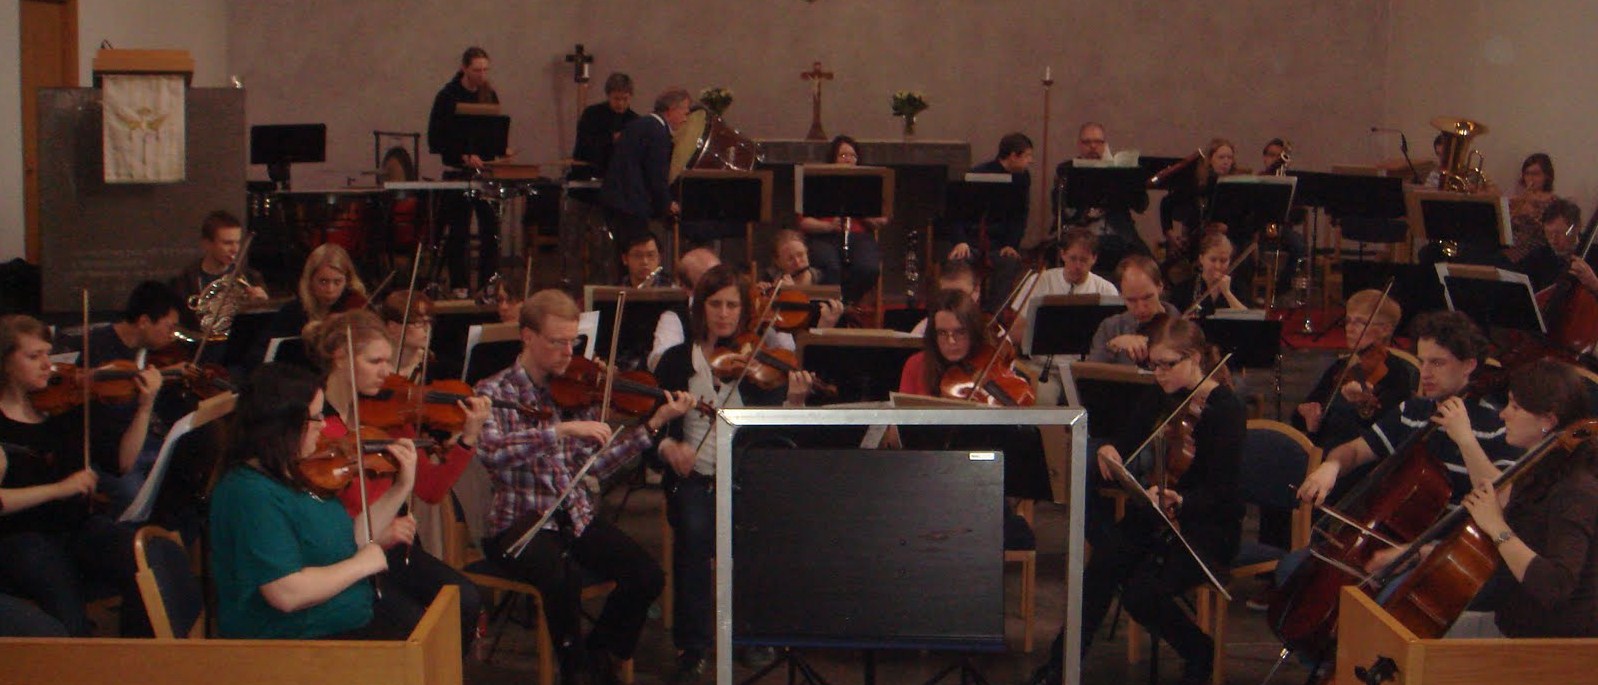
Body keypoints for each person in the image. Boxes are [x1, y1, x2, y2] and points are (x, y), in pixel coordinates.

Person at [474, 289, 694, 685]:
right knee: (562, 577)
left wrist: (654, 423)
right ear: (527, 337)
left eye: (573, 342)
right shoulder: (493, 391)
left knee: (646, 575)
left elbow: (594, 466)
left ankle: (596, 659)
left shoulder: (573, 389)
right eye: (557, 342)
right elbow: (492, 452)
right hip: (519, 522)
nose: (568, 352)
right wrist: (558, 431)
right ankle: (576, 673)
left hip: (572, 515)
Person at [1025, 315, 1246, 685]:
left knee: (1141, 594)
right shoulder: (1162, 394)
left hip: (1206, 527)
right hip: (1157, 515)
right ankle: (1060, 667)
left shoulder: (1226, 410)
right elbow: (1127, 438)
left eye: (1167, 365)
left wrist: (1182, 501)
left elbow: (1225, 494)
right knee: (1101, 567)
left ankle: (1198, 651)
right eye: (1153, 365)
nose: (1158, 374)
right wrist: (1111, 449)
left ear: (1194, 358)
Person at [653, 264, 817, 682]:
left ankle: (754, 634)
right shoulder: (676, 361)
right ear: (700, 308)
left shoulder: (759, 362)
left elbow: (775, 434)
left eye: (732, 305)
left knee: (758, 533)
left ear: (745, 311)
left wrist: (795, 402)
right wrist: (669, 448)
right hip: (694, 479)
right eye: (715, 304)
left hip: (744, 477)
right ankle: (693, 644)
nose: (724, 314)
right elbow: (653, 426)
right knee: (693, 534)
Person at [305, 310, 486, 652]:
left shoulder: (386, 416)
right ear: (340, 357)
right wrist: (380, 531)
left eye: (388, 361)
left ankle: (446, 675)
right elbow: (326, 519)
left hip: (390, 550)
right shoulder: (317, 429)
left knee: (465, 599)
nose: (387, 372)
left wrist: (468, 439)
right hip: (348, 555)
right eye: (375, 361)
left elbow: (431, 489)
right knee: (415, 626)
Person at [208, 362, 419, 639]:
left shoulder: (298, 472)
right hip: (294, 640)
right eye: (316, 417)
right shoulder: (250, 494)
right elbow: (286, 593)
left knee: (432, 626)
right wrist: (361, 565)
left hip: (343, 623)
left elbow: (350, 540)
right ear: (284, 423)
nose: (324, 425)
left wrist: (401, 487)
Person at [1297, 311, 1519, 553]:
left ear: (1469, 365)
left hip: (1451, 555)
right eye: (1422, 362)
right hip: (1397, 543)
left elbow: (1503, 500)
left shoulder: (1498, 425)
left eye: (1437, 363)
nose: (1425, 373)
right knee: (1296, 563)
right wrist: (1332, 466)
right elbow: (1354, 451)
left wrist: (1466, 439)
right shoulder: (1413, 410)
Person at [0, 314, 159, 636]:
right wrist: (59, 489)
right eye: (34, 356)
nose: (48, 365)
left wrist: (145, 407)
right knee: (59, 587)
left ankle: (138, 652)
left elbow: (122, 462)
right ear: (6, 363)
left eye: (48, 354)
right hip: (20, 536)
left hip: (76, 526)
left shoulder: (69, 409)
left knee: (143, 560)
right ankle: (77, 644)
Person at [1450, 359, 1598, 637]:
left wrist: (1496, 525)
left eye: (1516, 407)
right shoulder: (1536, 470)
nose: (1503, 414)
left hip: (1547, 642)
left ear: (1547, 421)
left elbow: (1556, 586)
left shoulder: (1576, 491)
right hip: (1510, 621)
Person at [1006, 228, 1119, 405]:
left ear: (1094, 259)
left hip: (1084, 372)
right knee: (1043, 400)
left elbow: (1112, 341)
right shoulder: (1040, 280)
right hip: (1044, 369)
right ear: (1063, 254)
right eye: (1073, 258)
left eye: (1084, 260)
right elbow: (1015, 333)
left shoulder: (1106, 290)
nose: (1077, 266)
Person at [1293, 289, 1416, 450]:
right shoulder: (1341, 365)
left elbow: (1387, 430)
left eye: (1360, 322)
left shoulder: (1396, 372)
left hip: (1361, 455)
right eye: (1348, 321)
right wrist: (1305, 412)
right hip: (1322, 449)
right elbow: (1298, 418)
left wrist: (1362, 407)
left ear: (1385, 329)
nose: (1350, 328)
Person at [427, 46, 503, 295]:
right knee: (458, 229)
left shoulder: (488, 95)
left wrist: (499, 149)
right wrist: (462, 155)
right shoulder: (447, 97)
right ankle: (459, 284)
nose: (482, 75)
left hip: (484, 172)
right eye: (477, 70)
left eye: (485, 70)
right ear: (464, 68)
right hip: (457, 171)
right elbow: (436, 139)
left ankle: (486, 284)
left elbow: (493, 131)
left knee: (490, 229)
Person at [947, 133, 1034, 313]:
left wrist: (1011, 244)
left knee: (1009, 262)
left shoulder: (1022, 178)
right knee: (959, 261)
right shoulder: (977, 175)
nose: (1030, 161)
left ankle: (993, 315)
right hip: (970, 240)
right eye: (1027, 156)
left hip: (998, 243)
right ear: (1013, 156)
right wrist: (960, 241)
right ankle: (962, 312)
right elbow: (956, 214)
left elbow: (1019, 217)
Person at [1053, 122, 1151, 276]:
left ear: (1105, 144)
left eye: (1098, 142)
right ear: (1079, 145)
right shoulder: (1067, 170)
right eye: (1087, 142)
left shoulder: (1120, 170)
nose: (1093, 146)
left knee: (1146, 263)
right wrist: (1085, 215)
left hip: (1119, 232)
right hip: (1084, 232)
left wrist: (1134, 183)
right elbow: (1059, 208)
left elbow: (1141, 205)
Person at [795, 135, 885, 303]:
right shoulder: (817, 182)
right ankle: (832, 306)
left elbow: (881, 221)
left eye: (853, 156)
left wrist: (860, 211)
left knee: (868, 268)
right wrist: (828, 226)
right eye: (843, 155)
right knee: (829, 266)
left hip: (859, 236)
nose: (848, 159)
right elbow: (803, 222)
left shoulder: (868, 184)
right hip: (824, 236)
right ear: (833, 159)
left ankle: (844, 303)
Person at [602, 88, 691, 255]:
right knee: (637, 251)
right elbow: (656, 174)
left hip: (617, 199)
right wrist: (666, 203)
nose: (685, 119)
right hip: (631, 203)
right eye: (685, 113)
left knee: (623, 252)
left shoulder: (641, 124)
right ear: (671, 110)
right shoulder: (657, 131)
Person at [257, 243, 369, 365]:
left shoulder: (356, 306)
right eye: (323, 281)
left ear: (347, 281)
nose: (330, 289)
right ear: (310, 280)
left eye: (337, 282)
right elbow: (260, 355)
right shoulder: (293, 311)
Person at [169, 210, 268, 332]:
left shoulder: (251, 278)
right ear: (207, 244)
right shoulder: (184, 282)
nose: (235, 249)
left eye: (237, 242)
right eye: (227, 243)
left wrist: (262, 306)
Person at [1086, 255, 1180, 365]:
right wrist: (1112, 346)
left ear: (1160, 287)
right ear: (1121, 295)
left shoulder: (1183, 325)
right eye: (1131, 300)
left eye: (1147, 297)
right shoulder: (1110, 328)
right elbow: (1091, 371)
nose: (1141, 308)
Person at [571, 73, 639, 181]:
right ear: (608, 96)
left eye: (625, 99)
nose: (621, 104)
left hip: (620, 176)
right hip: (590, 173)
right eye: (616, 99)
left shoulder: (634, 120)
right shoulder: (592, 114)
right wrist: (611, 139)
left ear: (631, 97)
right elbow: (584, 146)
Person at [1167, 230, 1247, 317]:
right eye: (1213, 260)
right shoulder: (1183, 289)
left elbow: (1247, 318)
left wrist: (1227, 293)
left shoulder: (1238, 286)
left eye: (1223, 260)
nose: (1217, 266)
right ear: (1201, 259)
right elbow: (1171, 321)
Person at [1503, 153, 1558, 265]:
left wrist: (1530, 214)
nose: (1530, 178)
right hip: (1508, 249)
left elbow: (1548, 235)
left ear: (1546, 176)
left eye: (1536, 174)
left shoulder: (1553, 203)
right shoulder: (1519, 199)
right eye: (1527, 174)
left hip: (1531, 254)